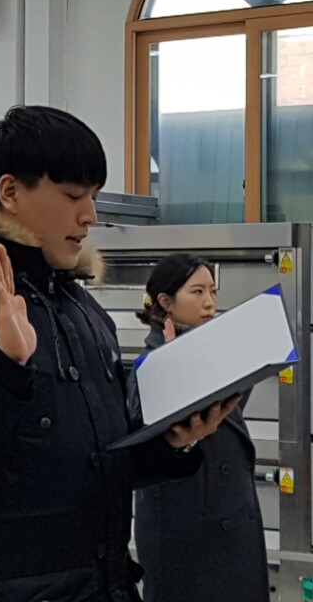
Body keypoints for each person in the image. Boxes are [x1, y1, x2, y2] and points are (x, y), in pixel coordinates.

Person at [0, 105, 240, 602]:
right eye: (74, 196)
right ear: (10, 192)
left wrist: (172, 439)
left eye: (93, 196)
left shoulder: (74, 304)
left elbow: (90, 461)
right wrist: (1, 370)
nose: (90, 215)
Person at [131, 253, 269, 602]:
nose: (210, 302)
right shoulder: (150, 366)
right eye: (197, 292)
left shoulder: (214, 357)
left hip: (230, 528)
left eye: (213, 291)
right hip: (187, 536)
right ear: (166, 301)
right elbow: (145, 447)